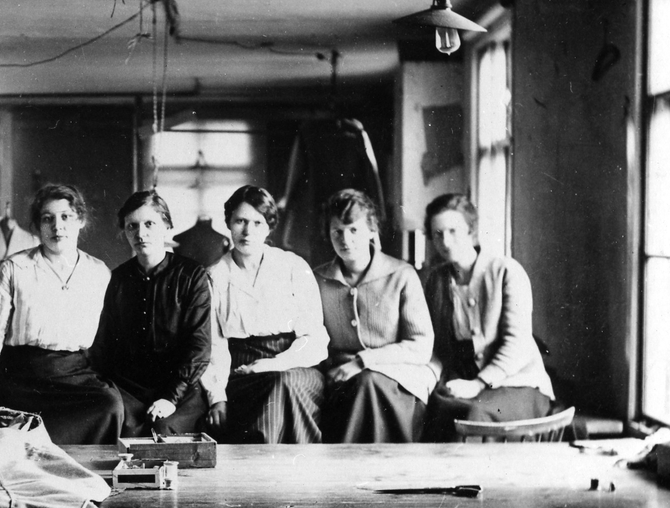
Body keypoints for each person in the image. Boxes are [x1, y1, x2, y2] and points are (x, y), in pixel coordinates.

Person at [0, 183, 123, 444]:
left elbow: (106, 338)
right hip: (22, 378)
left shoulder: (98, 272)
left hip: (74, 376)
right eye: (47, 219)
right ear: (37, 226)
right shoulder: (15, 268)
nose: (57, 226)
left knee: (109, 405)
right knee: (15, 427)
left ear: (81, 220)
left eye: (66, 217)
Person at [421, 194, 555, 440]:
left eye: (453, 231)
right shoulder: (436, 281)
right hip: (464, 380)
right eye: (438, 234)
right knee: (431, 410)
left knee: (474, 415)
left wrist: (478, 384)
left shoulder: (505, 271)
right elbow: (436, 346)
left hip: (517, 382)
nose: (446, 241)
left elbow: (517, 345)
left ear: (471, 230)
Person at [202, 185, 329, 444]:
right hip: (240, 372)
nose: (248, 231)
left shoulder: (293, 267)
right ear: (228, 224)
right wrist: (217, 397)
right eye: (240, 221)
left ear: (269, 227)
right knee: (276, 387)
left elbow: (313, 337)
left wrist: (275, 363)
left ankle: (279, 463)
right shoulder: (214, 276)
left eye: (257, 223)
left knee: (283, 383)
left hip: (296, 364)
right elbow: (213, 345)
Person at [313, 189, 436, 443]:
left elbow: (421, 345)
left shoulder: (401, 275)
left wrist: (363, 362)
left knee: (368, 382)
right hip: (341, 379)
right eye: (337, 231)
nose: (345, 239)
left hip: (399, 378)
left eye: (354, 230)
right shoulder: (319, 279)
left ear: (372, 231)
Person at [89, 190, 212, 438]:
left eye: (149, 224)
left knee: (163, 430)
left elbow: (199, 345)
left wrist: (171, 397)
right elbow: (104, 344)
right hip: (128, 390)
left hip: (180, 388)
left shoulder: (192, 276)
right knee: (121, 426)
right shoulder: (117, 279)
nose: (140, 233)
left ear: (166, 226)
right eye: (132, 226)